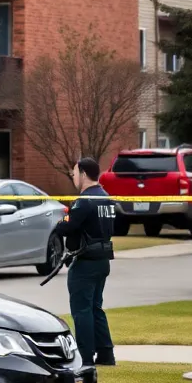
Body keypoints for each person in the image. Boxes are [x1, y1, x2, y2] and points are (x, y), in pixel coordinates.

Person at [55, 157, 115, 366]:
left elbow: (65, 227)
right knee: (95, 308)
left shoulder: (84, 201)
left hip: (85, 261)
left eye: (74, 173)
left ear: (83, 173)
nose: (73, 177)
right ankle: (106, 354)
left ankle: (85, 357)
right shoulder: (106, 198)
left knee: (82, 310)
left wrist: (62, 220)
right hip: (102, 260)